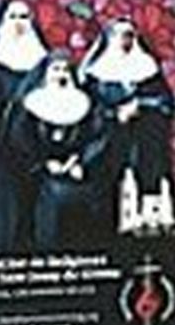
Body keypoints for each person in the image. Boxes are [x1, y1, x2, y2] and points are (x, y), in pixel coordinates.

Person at [81, 20, 175, 235]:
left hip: (144, 146)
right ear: (109, 39)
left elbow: (166, 103)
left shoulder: (148, 69)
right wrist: (114, 114)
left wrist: (141, 106)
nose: (125, 40)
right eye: (119, 35)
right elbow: (86, 110)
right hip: (107, 146)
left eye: (129, 35)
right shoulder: (95, 75)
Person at [7, 51, 111, 250]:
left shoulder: (87, 104)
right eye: (55, 69)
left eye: (65, 70)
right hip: (36, 175)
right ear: (45, 74)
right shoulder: (28, 105)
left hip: (77, 171)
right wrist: (44, 164)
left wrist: (81, 161)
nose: (60, 74)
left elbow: (98, 136)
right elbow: (19, 140)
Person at [0, 0, 48, 255]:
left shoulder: (43, 64)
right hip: (0, 150)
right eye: (13, 17)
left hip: (36, 149)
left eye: (24, 17)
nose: (19, 23)